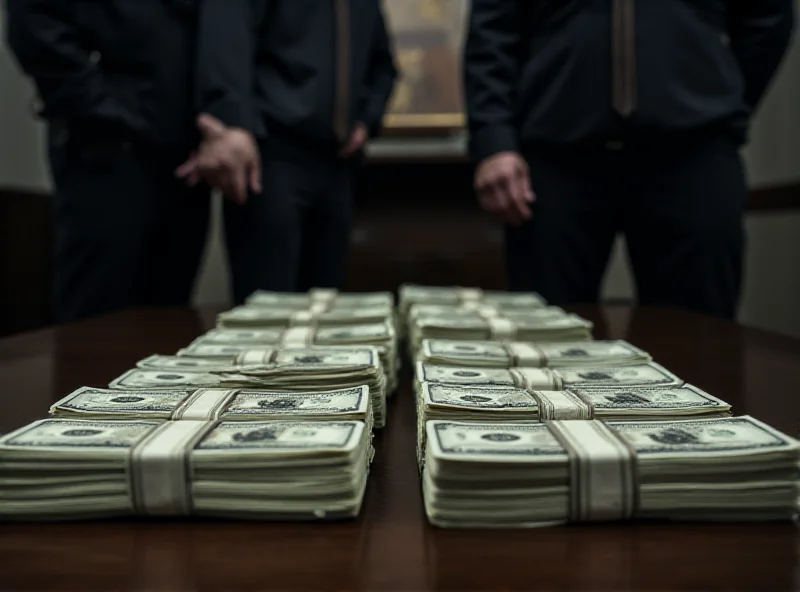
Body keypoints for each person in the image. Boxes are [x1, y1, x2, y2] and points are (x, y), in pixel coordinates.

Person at [463, 1, 795, 319]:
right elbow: (492, 31)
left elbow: (768, 19)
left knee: (700, 337)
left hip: (694, 151)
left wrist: (721, 103)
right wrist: (494, 139)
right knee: (544, 337)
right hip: (555, 154)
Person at [177, 0, 397, 304]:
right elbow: (228, 33)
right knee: (268, 310)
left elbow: (383, 64)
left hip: (337, 163)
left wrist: (366, 119)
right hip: (271, 154)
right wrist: (232, 122)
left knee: (327, 314)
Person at [5, 0, 212, 323]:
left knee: (169, 321)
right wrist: (105, 108)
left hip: (185, 153)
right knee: (99, 317)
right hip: (106, 151)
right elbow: (33, 21)